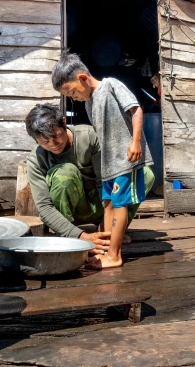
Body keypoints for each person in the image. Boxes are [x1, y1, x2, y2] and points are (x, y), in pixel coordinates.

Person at [51, 51, 153, 269]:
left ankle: (115, 256)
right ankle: (105, 251)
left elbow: (136, 110)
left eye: (71, 92)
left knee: (120, 204)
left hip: (125, 159)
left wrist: (135, 142)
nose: (72, 98)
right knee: (107, 204)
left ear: (83, 79)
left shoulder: (111, 85)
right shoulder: (89, 103)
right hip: (108, 165)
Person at [24, 103, 154, 256]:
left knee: (144, 174)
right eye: (45, 142)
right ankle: (69, 237)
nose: (53, 145)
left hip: (102, 204)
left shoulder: (89, 136)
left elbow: (105, 181)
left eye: (57, 136)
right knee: (65, 173)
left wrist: (108, 226)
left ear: (64, 123)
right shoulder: (35, 160)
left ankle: (111, 229)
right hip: (72, 214)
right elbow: (45, 208)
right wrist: (81, 237)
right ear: (36, 140)